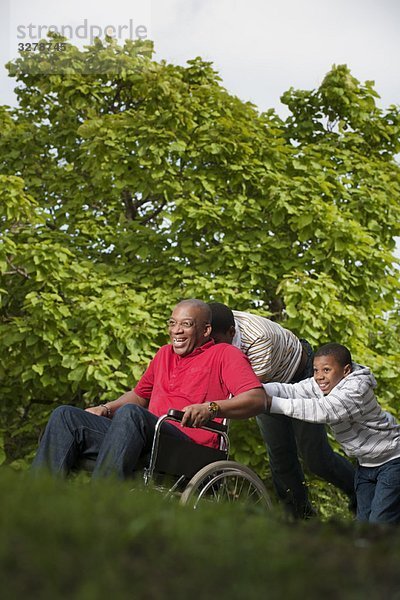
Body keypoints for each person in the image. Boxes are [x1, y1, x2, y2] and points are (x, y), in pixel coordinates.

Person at [32, 299, 266, 479]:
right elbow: (139, 396)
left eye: (186, 324)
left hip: (188, 447)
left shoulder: (225, 354)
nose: (176, 331)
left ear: (205, 331)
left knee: (131, 415)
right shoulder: (164, 354)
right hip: (144, 437)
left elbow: (257, 399)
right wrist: (106, 407)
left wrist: (212, 408)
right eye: (172, 323)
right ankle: (38, 504)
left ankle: (99, 505)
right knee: (66, 415)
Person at [208, 302, 355, 519]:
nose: (211, 349)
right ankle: (298, 517)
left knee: (316, 458)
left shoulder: (258, 339)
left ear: (231, 332)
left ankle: (364, 494)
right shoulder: (207, 326)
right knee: (279, 456)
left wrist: (210, 410)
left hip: (297, 377)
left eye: (217, 343)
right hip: (265, 387)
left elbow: (246, 396)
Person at [261, 343, 400, 524]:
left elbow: (324, 410)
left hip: (392, 462)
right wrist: (253, 389)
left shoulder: (356, 389)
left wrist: (269, 403)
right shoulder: (325, 383)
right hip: (365, 466)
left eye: (326, 370)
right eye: (316, 370)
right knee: (364, 525)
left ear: (346, 370)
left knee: (379, 524)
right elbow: (291, 390)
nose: (319, 376)